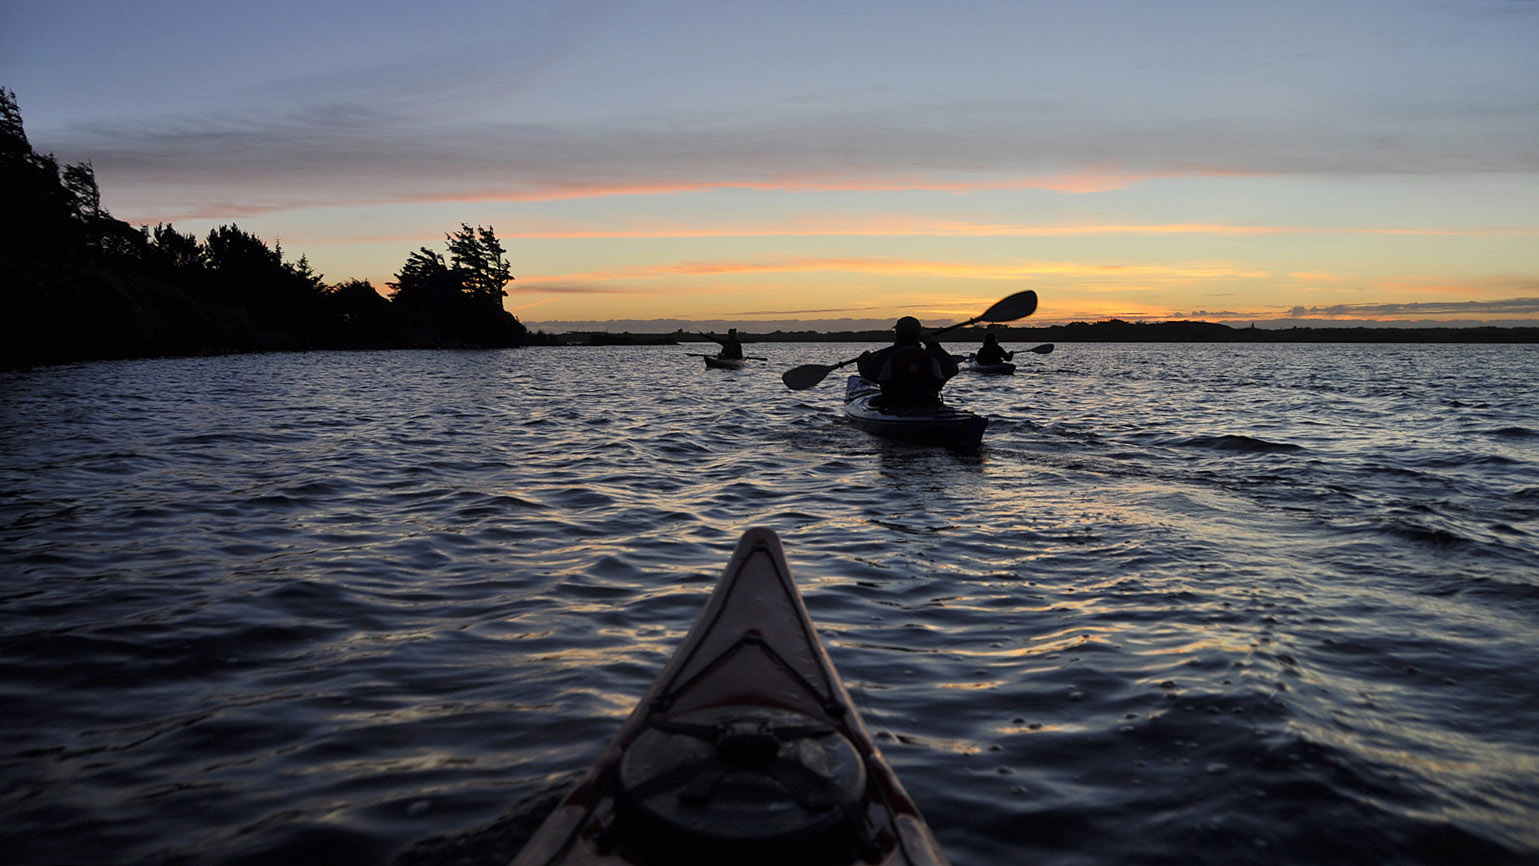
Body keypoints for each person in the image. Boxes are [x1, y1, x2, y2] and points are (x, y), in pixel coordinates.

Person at [857, 316, 958, 405]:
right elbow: (951, 368)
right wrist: (932, 343)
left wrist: (864, 357)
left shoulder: (885, 356)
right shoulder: (930, 356)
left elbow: (868, 372)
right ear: (919, 334)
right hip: (928, 401)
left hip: (892, 402)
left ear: (897, 333)